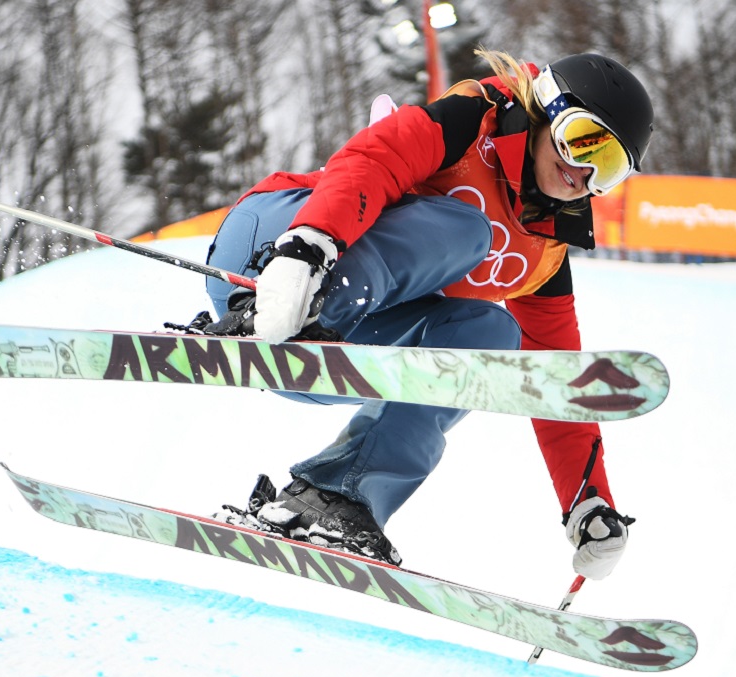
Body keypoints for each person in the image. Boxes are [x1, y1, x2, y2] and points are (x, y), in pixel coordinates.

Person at [203, 49, 653, 580]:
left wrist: (589, 502)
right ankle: (290, 309)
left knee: (491, 335)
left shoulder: (544, 252)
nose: (583, 172)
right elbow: (373, 159)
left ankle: (336, 496)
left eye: (608, 168)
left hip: (338, 336)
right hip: (274, 245)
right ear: (548, 108)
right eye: (583, 140)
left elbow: (552, 381)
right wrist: (308, 248)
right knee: (467, 229)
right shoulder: (472, 120)